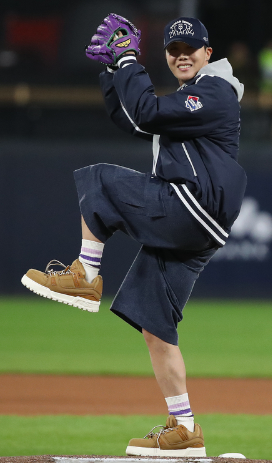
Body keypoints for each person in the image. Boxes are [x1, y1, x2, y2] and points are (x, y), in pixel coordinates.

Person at [22, 14, 246, 457]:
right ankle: (184, 428)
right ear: (167, 55)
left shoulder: (217, 89)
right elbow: (135, 119)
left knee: (100, 179)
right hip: (199, 222)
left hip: (194, 204)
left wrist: (127, 60)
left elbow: (145, 111)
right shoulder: (189, 95)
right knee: (155, 328)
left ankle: (85, 274)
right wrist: (114, 70)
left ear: (208, 52)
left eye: (191, 49)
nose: (182, 56)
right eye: (174, 51)